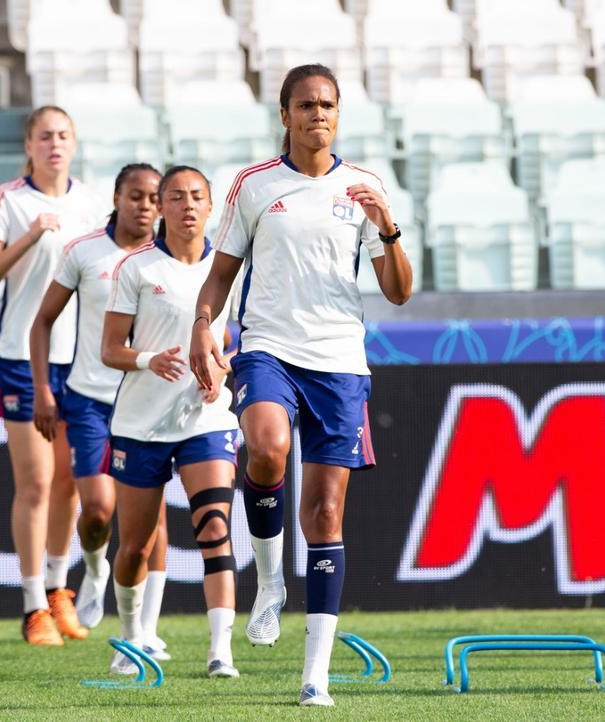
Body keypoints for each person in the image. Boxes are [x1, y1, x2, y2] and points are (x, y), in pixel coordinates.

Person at [189, 64, 414, 706]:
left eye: (328, 104)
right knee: (264, 448)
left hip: (340, 361)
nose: (318, 113)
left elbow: (398, 291)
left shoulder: (364, 187)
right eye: (306, 104)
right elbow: (220, 272)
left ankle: (314, 674)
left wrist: (388, 224)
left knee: (324, 513)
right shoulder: (255, 185)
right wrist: (205, 325)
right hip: (268, 346)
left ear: (338, 114)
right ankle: (267, 583)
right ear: (284, 115)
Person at [0, 106, 109, 645]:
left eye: (62, 135)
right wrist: (28, 237)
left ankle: (59, 590)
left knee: (70, 482)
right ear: (28, 145)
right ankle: (32, 605)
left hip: (80, 359)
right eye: (44, 136)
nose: (54, 144)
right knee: (34, 482)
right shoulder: (8, 200)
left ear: (74, 143)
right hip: (20, 357)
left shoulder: (94, 202)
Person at [101, 165, 241, 678]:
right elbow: (110, 349)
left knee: (215, 528)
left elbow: (236, 335)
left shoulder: (229, 270)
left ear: (211, 208)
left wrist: (222, 365)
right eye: (176, 197)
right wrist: (147, 359)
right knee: (135, 543)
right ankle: (131, 637)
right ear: (161, 207)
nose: (187, 206)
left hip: (206, 416)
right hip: (141, 422)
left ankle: (220, 650)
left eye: (197, 197)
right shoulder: (137, 268)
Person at [28, 163, 172, 659]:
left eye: (155, 197)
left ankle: (146, 631)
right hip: (89, 399)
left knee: (153, 524)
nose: (146, 206)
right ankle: (94, 570)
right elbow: (42, 320)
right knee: (97, 511)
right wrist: (43, 390)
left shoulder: (172, 258)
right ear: (117, 198)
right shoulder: (84, 252)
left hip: (151, 400)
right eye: (136, 196)